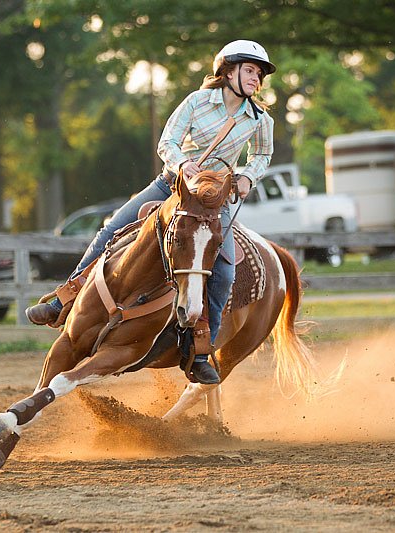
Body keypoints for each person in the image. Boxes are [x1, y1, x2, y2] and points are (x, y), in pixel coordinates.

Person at [26, 40, 276, 384]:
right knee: (112, 229)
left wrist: (247, 175)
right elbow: (167, 142)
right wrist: (185, 164)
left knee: (224, 273)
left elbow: (262, 156)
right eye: (250, 70)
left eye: (259, 74)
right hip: (171, 185)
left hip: (211, 201)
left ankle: (199, 349)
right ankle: (63, 299)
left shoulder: (260, 119)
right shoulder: (197, 101)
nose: (256, 79)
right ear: (228, 71)